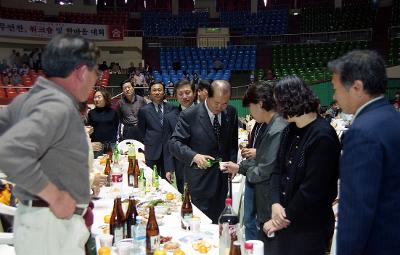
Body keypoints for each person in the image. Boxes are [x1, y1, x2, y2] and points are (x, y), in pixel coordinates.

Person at [0, 34, 100, 255]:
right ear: (82, 71)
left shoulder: (26, 99)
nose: (96, 81)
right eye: (96, 73)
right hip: (51, 226)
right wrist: (55, 196)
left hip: (40, 223)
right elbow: (9, 152)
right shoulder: (58, 105)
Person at [328, 50, 400, 255]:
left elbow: (357, 211)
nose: (334, 96)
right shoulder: (392, 118)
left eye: (336, 89)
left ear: (357, 87)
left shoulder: (362, 132)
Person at [264, 75, 341, 255]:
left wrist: (280, 220)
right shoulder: (290, 129)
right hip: (284, 216)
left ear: (289, 101)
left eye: (278, 103)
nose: (277, 109)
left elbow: (312, 190)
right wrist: (275, 203)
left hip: (309, 226)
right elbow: (277, 170)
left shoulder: (323, 136)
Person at [222, 82, 287, 242]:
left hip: (270, 196)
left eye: (250, 106)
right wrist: (239, 167)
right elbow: (261, 158)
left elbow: (265, 169)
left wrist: (245, 171)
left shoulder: (277, 128)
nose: (250, 111)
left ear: (260, 104)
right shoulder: (271, 125)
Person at [169, 80, 238, 223]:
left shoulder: (231, 112)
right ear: (207, 96)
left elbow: (232, 144)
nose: (220, 107)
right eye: (216, 103)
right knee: (199, 224)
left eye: (224, 103)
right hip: (199, 182)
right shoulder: (190, 115)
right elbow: (174, 143)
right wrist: (194, 156)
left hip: (223, 181)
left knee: (220, 221)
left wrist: (232, 164)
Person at [138, 81, 178, 178]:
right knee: (151, 179)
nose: (157, 92)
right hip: (151, 150)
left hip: (168, 151)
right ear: (150, 93)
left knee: (167, 179)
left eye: (159, 90)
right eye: (154, 90)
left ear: (164, 92)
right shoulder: (144, 110)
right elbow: (142, 131)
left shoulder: (172, 108)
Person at [164, 79, 196, 193]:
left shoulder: (205, 112)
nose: (184, 96)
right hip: (181, 165)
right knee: (184, 196)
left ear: (194, 93)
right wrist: (169, 168)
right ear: (176, 96)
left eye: (187, 92)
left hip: (203, 164)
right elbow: (167, 143)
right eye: (180, 94)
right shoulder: (170, 117)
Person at [87, 89, 119, 158]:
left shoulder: (113, 112)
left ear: (105, 98)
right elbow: (88, 130)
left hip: (111, 145)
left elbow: (116, 126)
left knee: (112, 165)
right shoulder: (91, 113)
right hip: (97, 145)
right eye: (95, 97)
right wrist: (90, 143)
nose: (96, 99)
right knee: (97, 166)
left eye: (99, 97)